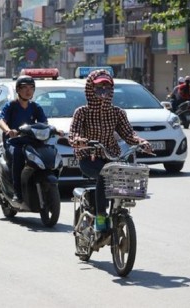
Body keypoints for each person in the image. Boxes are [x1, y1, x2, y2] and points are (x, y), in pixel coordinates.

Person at [68, 69, 153, 232]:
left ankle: (117, 209)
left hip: (111, 157)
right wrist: (79, 141)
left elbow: (129, 134)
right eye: (99, 87)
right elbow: (74, 132)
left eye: (107, 87)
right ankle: (100, 216)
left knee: (122, 174)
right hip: (88, 158)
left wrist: (142, 142)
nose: (103, 91)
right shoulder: (82, 112)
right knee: (104, 174)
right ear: (90, 89)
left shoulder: (117, 113)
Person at [0, 75, 48, 203]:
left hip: (31, 141)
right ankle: (17, 192)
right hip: (14, 142)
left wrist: (54, 130)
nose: (28, 91)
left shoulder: (35, 107)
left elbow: (44, 123)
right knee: (19, 156)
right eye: (24, 87)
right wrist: (8, 130)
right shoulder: (11, 106)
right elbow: (1, 121)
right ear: (18, 90)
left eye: (31, 88)